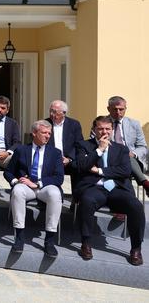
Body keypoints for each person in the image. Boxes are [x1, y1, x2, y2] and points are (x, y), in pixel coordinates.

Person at [74, 116, 144, 266]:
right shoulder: (83, 145)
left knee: (136, 206)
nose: (104, 132)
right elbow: (82, 166)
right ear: (94, 130)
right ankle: (86, 243)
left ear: (112, 130)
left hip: (117, 189)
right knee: (87, 201)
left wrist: (99, 170)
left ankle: (136, 248)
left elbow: (124, 171)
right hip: (94, 187)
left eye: (107, 129)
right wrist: (99, 150)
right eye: (100, 128)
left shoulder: (122, 149)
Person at [5, 120, 64, 257]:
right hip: (26, 187)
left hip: (44, 187)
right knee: (18, 191)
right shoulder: (21, 150)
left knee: (55, 194)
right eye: (44, 133)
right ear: (34, 133)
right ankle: (19, 237)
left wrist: (38, 184)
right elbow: (8, 172)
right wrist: (16, 181)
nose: (48, 136)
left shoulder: (55, 152)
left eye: (49, 133)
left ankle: (49, 240)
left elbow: (59, 178)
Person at [107, 96, 149, 196]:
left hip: (131, 160)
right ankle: (144, 183)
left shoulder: (134, 124)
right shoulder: (101, 123)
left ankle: (121, 203)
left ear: (125, 109)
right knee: (123, 159)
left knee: (125, 157)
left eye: (121, 109)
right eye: (115, 109)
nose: (118, 112)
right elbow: (95, 142)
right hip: (110, 159)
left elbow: (143, 146)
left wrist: (134, 153)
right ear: (108, 109)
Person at [45, 99, 83, 193]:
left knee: (79, 168)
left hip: (68, 159)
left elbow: (79, 144)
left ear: (64, 113)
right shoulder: (45, 124)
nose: (51, 114)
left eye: (54, 112)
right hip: (50, 159)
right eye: (50, 111)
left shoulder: (74, 124)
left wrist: (69, 158)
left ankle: (76, 200)